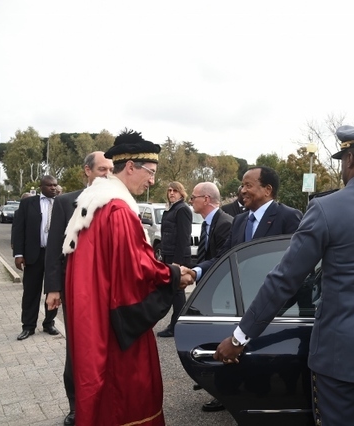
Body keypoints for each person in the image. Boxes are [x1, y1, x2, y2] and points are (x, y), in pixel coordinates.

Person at [213, 125, 354, 426]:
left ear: (350, 160)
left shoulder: (325, 208)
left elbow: (284, 280)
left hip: (338, 354)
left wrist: (241, 336)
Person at [61, 129, 193, 426]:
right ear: (130, 167)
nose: (153, 180)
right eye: (151, 171)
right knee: (127, 397)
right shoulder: (118, 210)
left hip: (96, 315)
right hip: (118, 327)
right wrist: (174, 274)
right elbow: (137, 268)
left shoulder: (94, 202)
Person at [185, 166, 303, 412]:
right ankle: (228, 396)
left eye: (248, 185)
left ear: (267, 190)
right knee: (234, 349)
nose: (242, 190)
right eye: (242, 185)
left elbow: (297, 265)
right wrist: (195, 272)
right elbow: (224, 257)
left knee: (262, 357)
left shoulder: (289, 217)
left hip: (273, 305)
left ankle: (266, 400)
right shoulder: (239, 220)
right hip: (239, 301)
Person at [44, 151, 113, 426]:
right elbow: (53, 250)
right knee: (77, 350)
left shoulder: (114, 202)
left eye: (110, 170)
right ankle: (76, 406)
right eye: (101, 170)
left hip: (107, 290)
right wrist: (53, 288)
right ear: (87, 170)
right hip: (76, 291)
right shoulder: (64, 202)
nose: (107, 175)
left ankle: (104, 402)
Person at [12, 175, 60, 340]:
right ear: (41, 186)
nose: (53, 188)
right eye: (49, 185)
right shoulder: (27, 204)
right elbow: (19, 230)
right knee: (31, 292)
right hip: (34, 254)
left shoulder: (61, 203)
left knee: (53, 290)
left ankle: (49, 323)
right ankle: (28, 326)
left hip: (55, 256)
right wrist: (18, 254)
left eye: (55, 185)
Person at [156, 181, 193, 338]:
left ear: (181, 193)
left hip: (178, 257)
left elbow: (183, 237)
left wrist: (177, 262)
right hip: (168, 254)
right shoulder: (171, 208)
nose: (171, 193)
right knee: (173, 291)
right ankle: (177, 324)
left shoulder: (182, 209)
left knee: (177, 291)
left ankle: (176, 326)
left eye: (175, 191)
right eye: (169, 190)